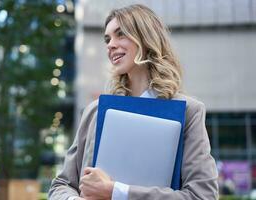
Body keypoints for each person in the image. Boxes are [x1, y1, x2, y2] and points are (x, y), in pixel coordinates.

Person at [48, 4, 219, 200]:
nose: (110, 44)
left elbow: (202, 195)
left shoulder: (189, 112)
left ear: (146, 39)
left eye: (121, 34)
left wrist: (116, 192)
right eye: (107, 39)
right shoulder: (94, 111)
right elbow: (61, 185)